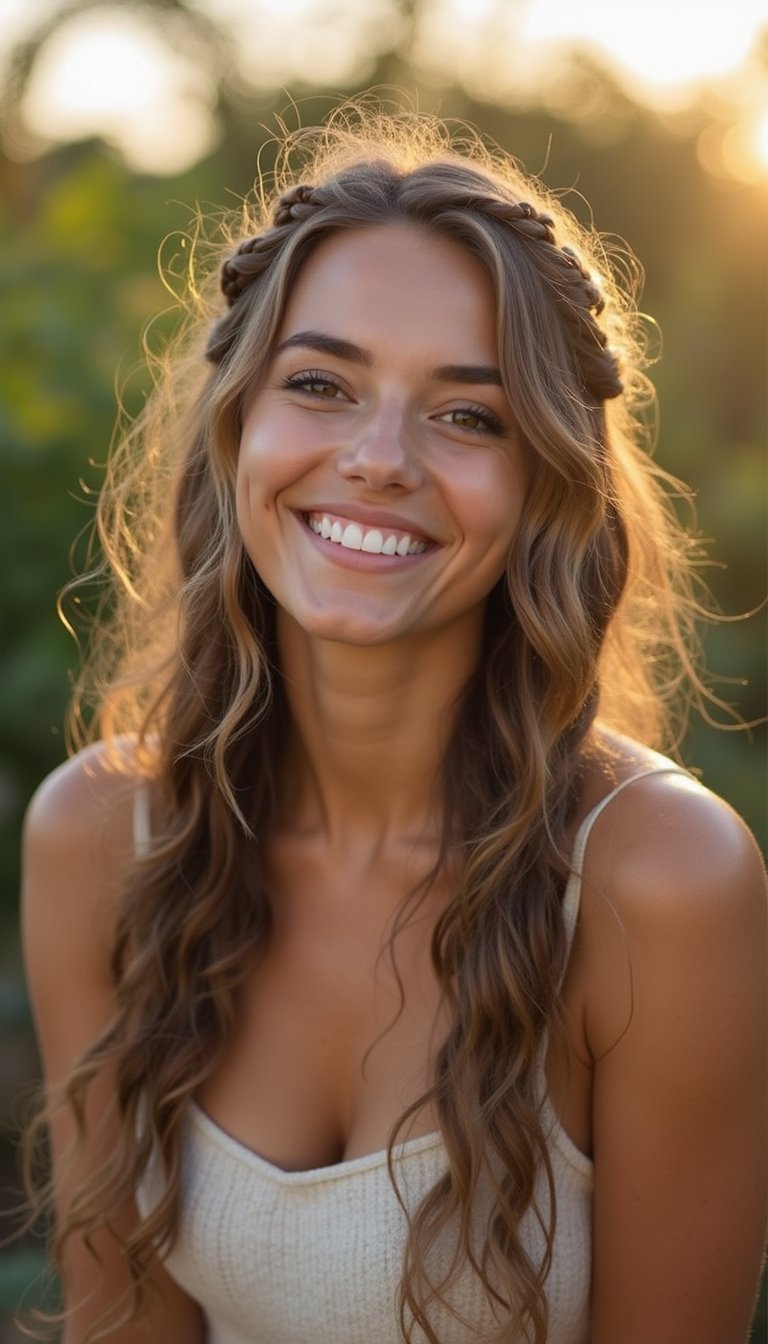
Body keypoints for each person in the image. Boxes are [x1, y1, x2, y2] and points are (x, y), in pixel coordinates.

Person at [20, 108, 767, 1344]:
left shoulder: (663, 882)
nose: (377, 459)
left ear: (546, 484)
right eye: (321, 385)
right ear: (239, 427)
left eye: (467, 415)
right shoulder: (103, 835)